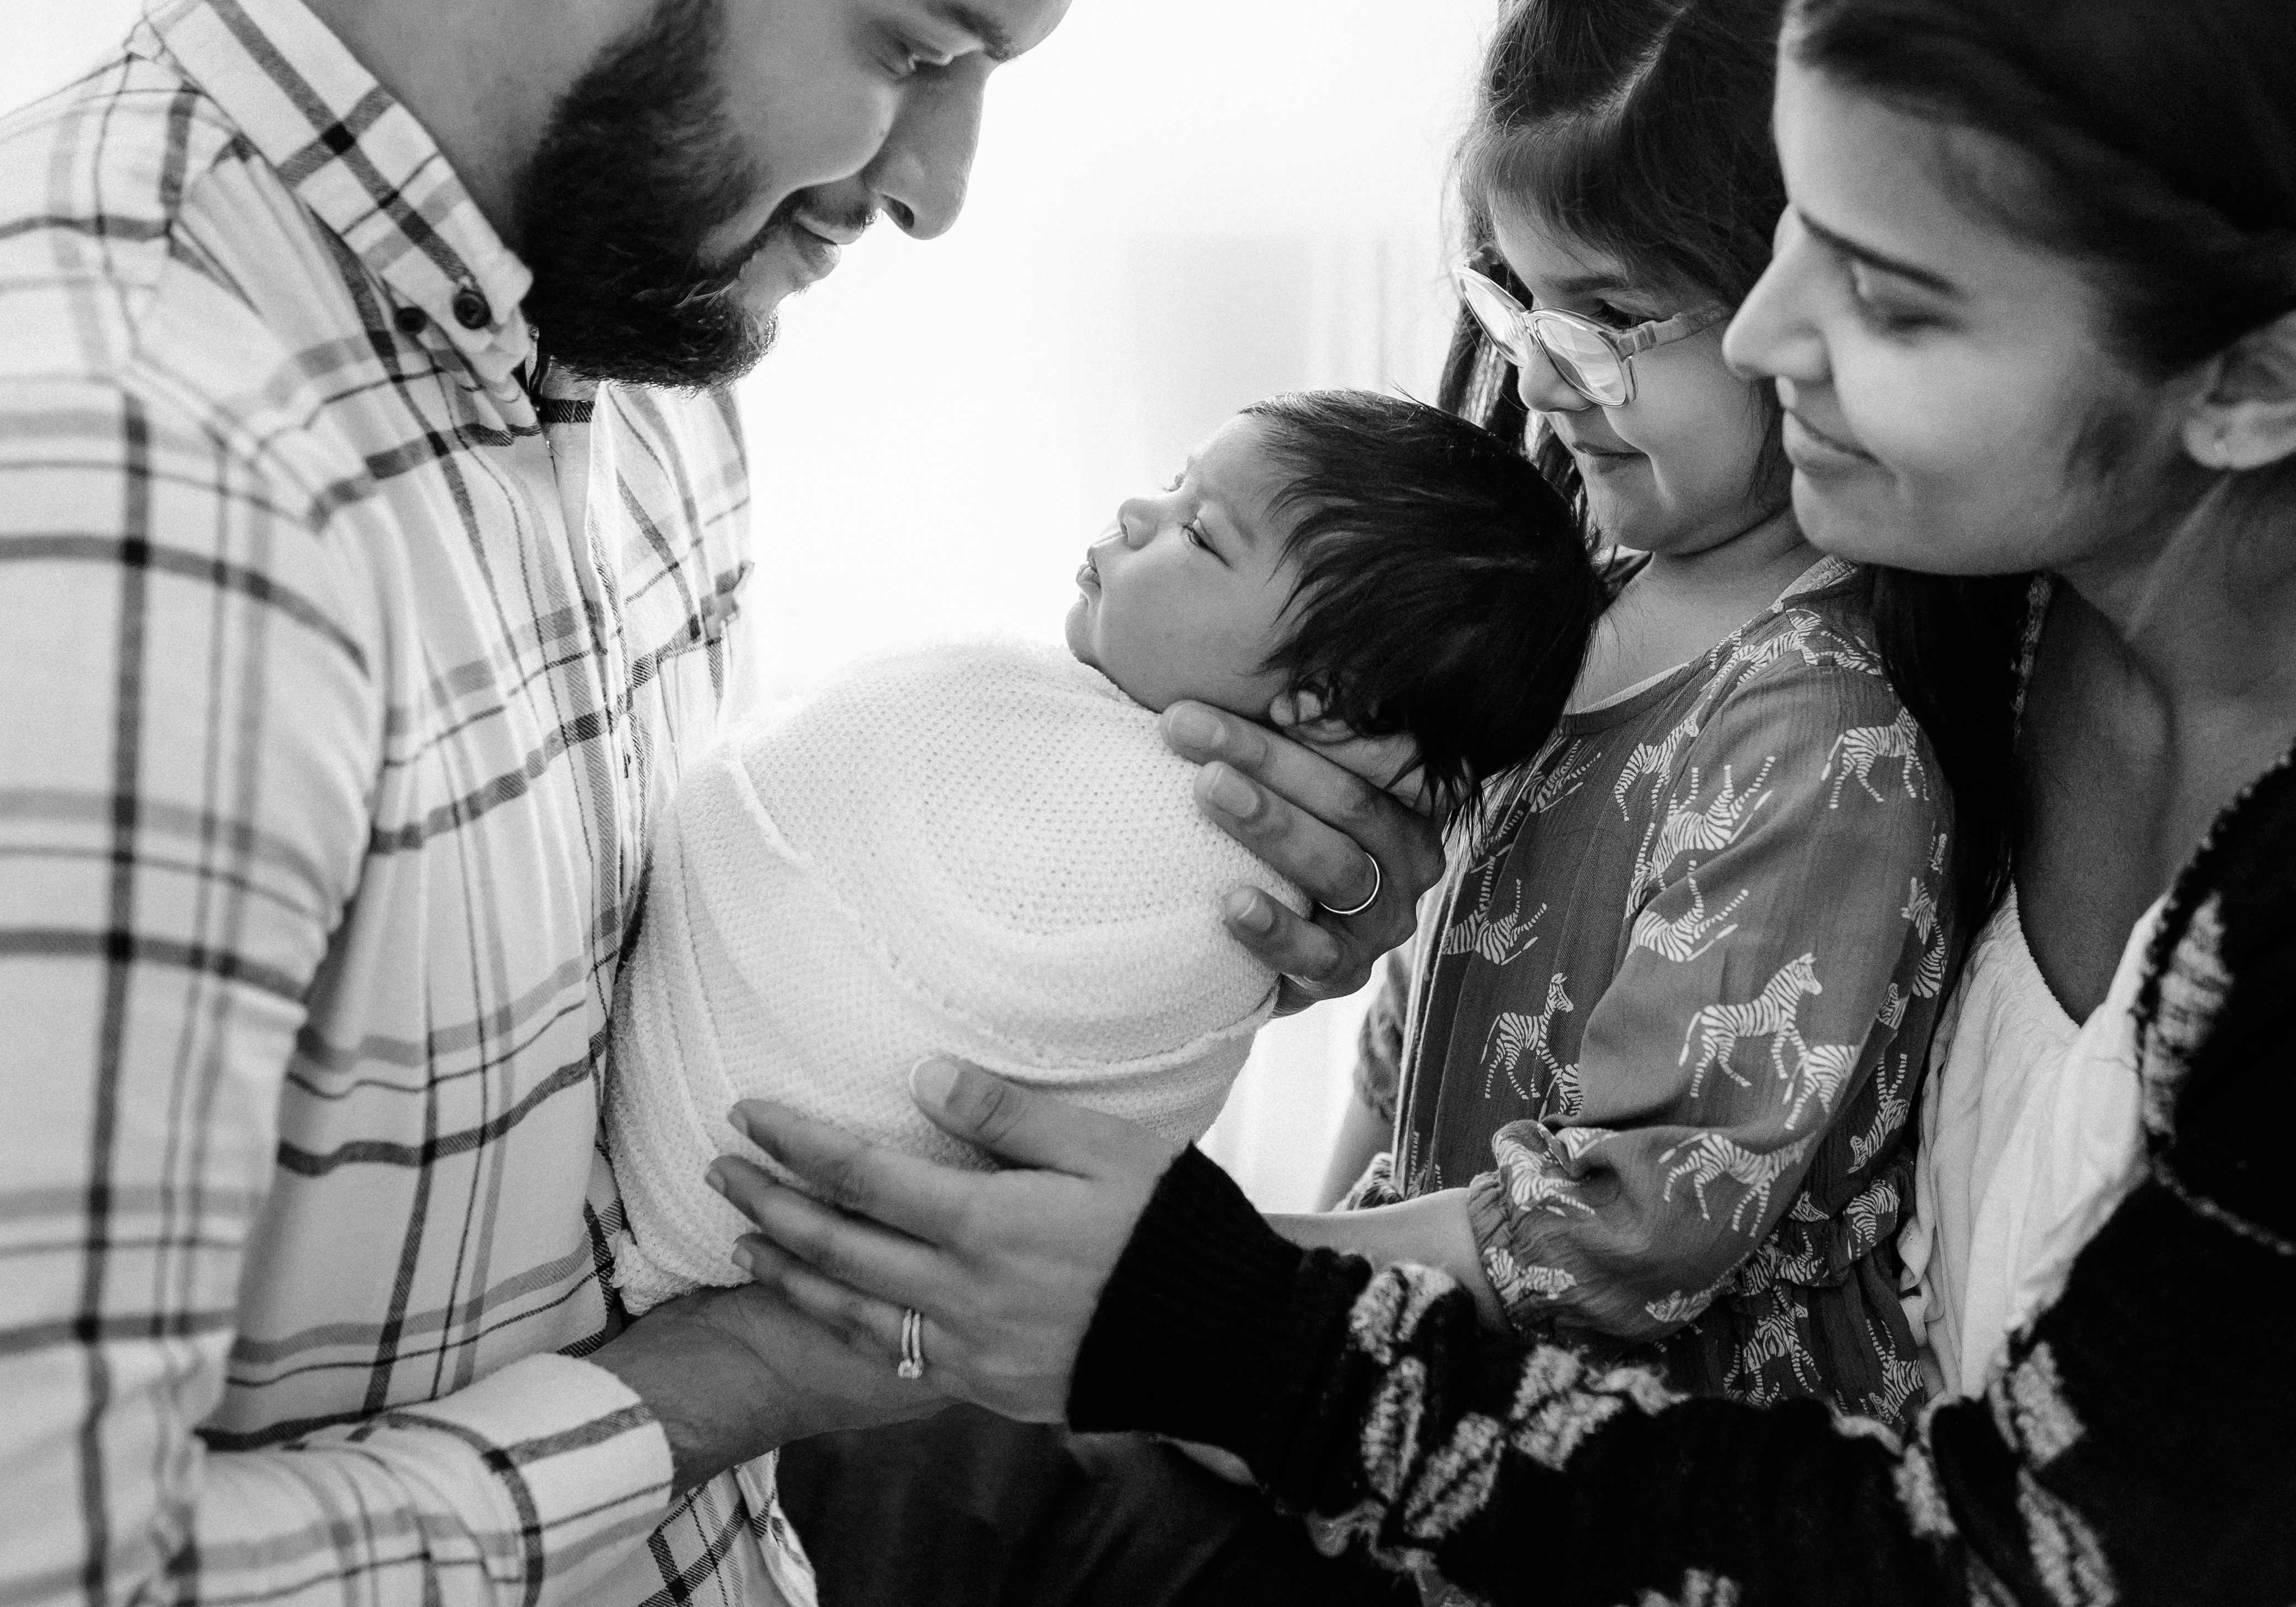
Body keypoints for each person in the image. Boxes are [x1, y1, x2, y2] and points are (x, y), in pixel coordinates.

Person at [710, 0, 2296, 1605]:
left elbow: (1994, 1563)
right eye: (1791, 236)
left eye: (1887, 293)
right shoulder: (1966, 570)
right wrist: (1362, 886)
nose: (1761, 334)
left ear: (2257, 386)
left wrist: (1227, 1326)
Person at [0, 0, 1435, 1604]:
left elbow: (674, 1035)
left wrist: (1166, 924)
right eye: (921, 46)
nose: (941, 186)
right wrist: (719, 1387)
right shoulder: (105, 486)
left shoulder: (629, 349)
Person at [1306, 0, 1995, 1428]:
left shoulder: (1816, 736)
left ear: (1810, 302)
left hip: (1654, 1472)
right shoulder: (1582, 593)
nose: (1547, 375)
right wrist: (1297, 1261)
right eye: (1517, 301)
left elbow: (1624, 1227)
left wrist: (1240, 1276)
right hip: (1422, 1375)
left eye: (1612, 319)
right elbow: (1415, 1019)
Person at [609, 389, 1601, 1312]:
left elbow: (781, 780)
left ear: (1323, 704)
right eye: (1175, 485)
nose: (1135, 512)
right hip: (734, 1231)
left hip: (705, 1173)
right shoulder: (1068, 746)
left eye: (1199, 533)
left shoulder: (1204, 874)